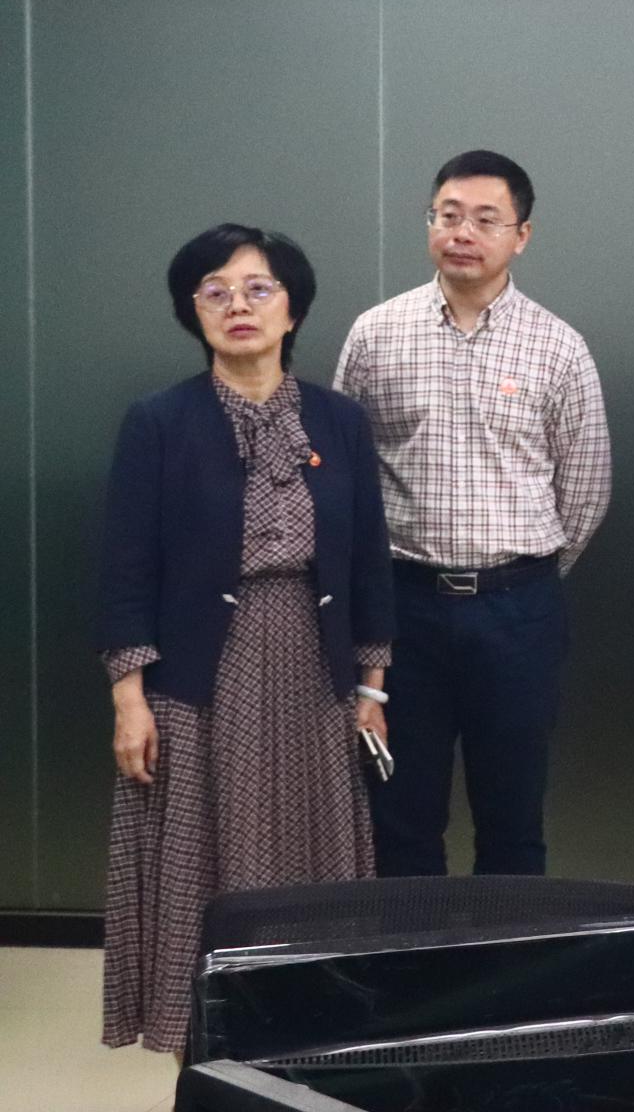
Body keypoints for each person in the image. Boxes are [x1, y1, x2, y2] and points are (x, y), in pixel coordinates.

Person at [95, 225, 394, 1054]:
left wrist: (371, 687)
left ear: (292, 309)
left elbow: (369, 562)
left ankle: (308, 1027)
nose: (238, 306)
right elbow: (125, 568)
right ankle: (202, 1036)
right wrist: (129, 699)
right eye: (215, 292)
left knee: (311, 850)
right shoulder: (159, 421)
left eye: (259, 289)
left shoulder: (338, 421)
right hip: (198, 672)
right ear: (192, 312)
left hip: (313, 663)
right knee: (200, 853)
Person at [333, 150, 611, 877]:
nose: (462, 232)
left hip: (517, 613)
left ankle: (506, 957)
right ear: (429, 223)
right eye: (448, 215)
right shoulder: (376, 335)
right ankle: (414, 956)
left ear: (522, 235)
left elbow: (585, 489)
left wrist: (521, 577)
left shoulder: (558, 347)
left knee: (513, 822)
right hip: (403, 611)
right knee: (400, 818)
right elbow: (347, 480)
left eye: (486, 219)